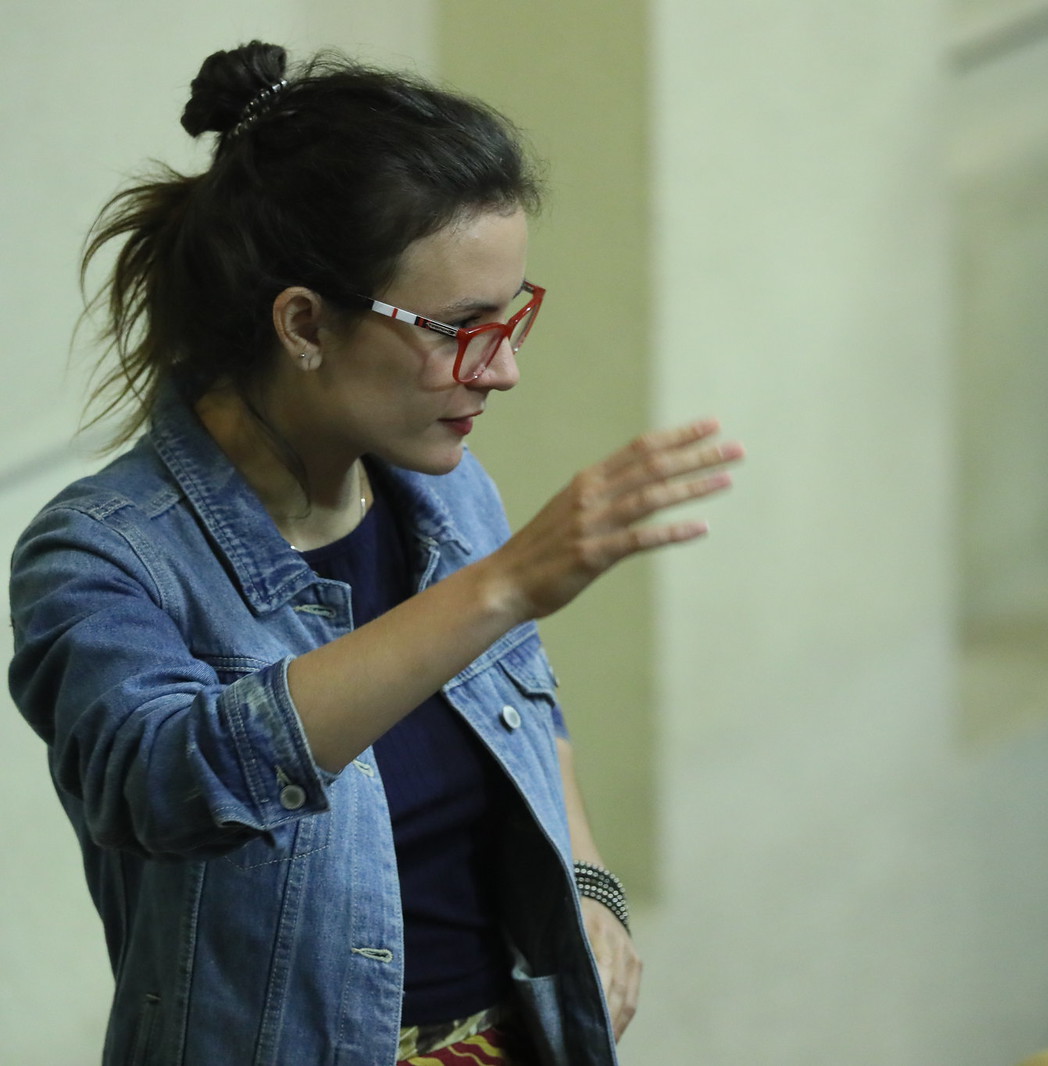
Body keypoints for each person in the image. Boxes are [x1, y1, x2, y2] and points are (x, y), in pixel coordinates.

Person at [8, 42, 741, 1066]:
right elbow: (165, 783)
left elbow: (531, 710)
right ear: (304, 323)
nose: (506, 369)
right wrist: (504, 585)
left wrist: (590, 884)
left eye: (514, 315)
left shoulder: (445, 491)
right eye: (459, 327)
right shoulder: (104, 553)